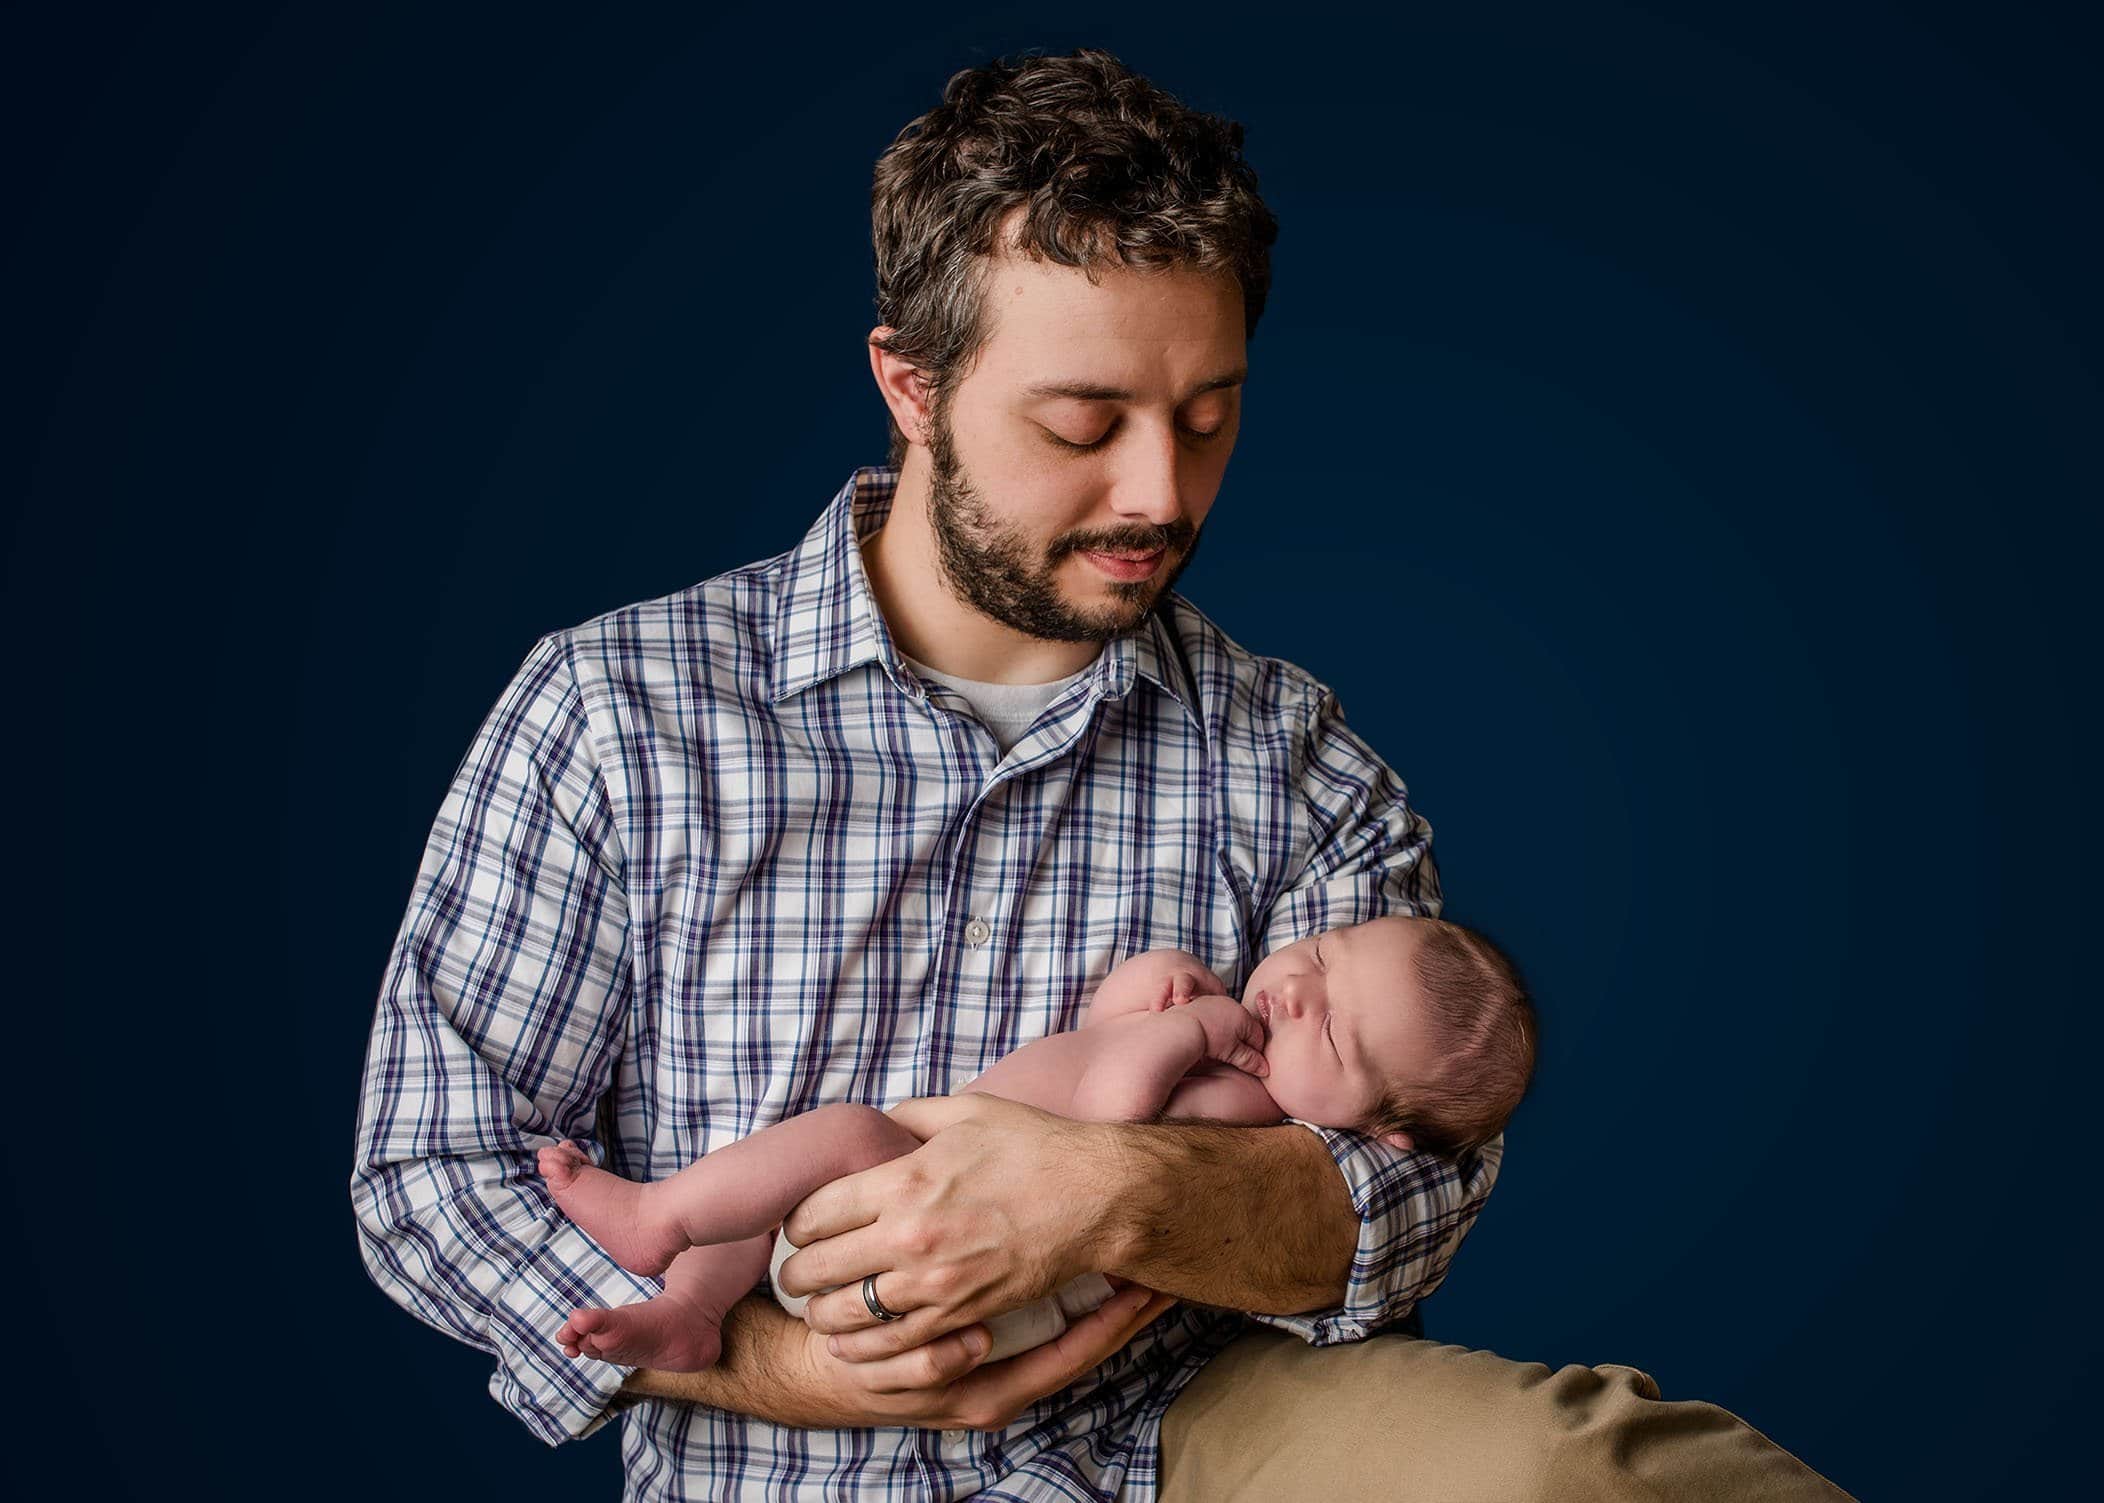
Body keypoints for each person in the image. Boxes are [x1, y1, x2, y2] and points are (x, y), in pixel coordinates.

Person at [351, 46, 1856, 1501]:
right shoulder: (621, 712)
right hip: (791, 1464)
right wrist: (797, 1361)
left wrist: (1103, 1190)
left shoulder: (1295, 760)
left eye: (1209, 419)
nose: (1159, 492)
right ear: (912, 382)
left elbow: (1407, 1186)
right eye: (1085, 423)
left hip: (1190, 1438)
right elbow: (430, 1175)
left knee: (1583, 1472)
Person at [538, 916, 1536, 1374]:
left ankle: (658, 1220)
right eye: (1321, 954)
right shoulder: (1241, 1045)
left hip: (950, 1278)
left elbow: (1103, 1134)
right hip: (905, 1216)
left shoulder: (1247, 1116)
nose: (1299, 991)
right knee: (791, 1175)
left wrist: (1177, 1031)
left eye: (1336, 1032)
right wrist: (1153, 989)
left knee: (840, 1136)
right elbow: (1094, 1037)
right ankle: (691, 1312)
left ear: (1375, 1126)